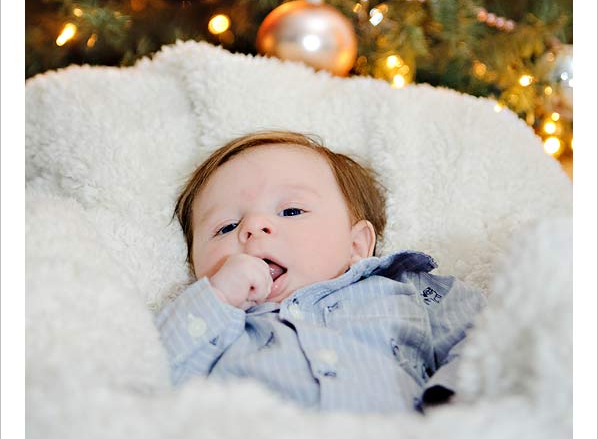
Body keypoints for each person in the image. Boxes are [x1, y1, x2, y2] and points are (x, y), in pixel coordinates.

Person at [154, 130, 485, 414]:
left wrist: (453, 406)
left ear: (356, 245)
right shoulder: (209, 323)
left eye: (291, 210)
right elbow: (148, 374)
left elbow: (486, 335)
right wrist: (218, 298)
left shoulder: (406, 290)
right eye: (225, 227)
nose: (253, 227)